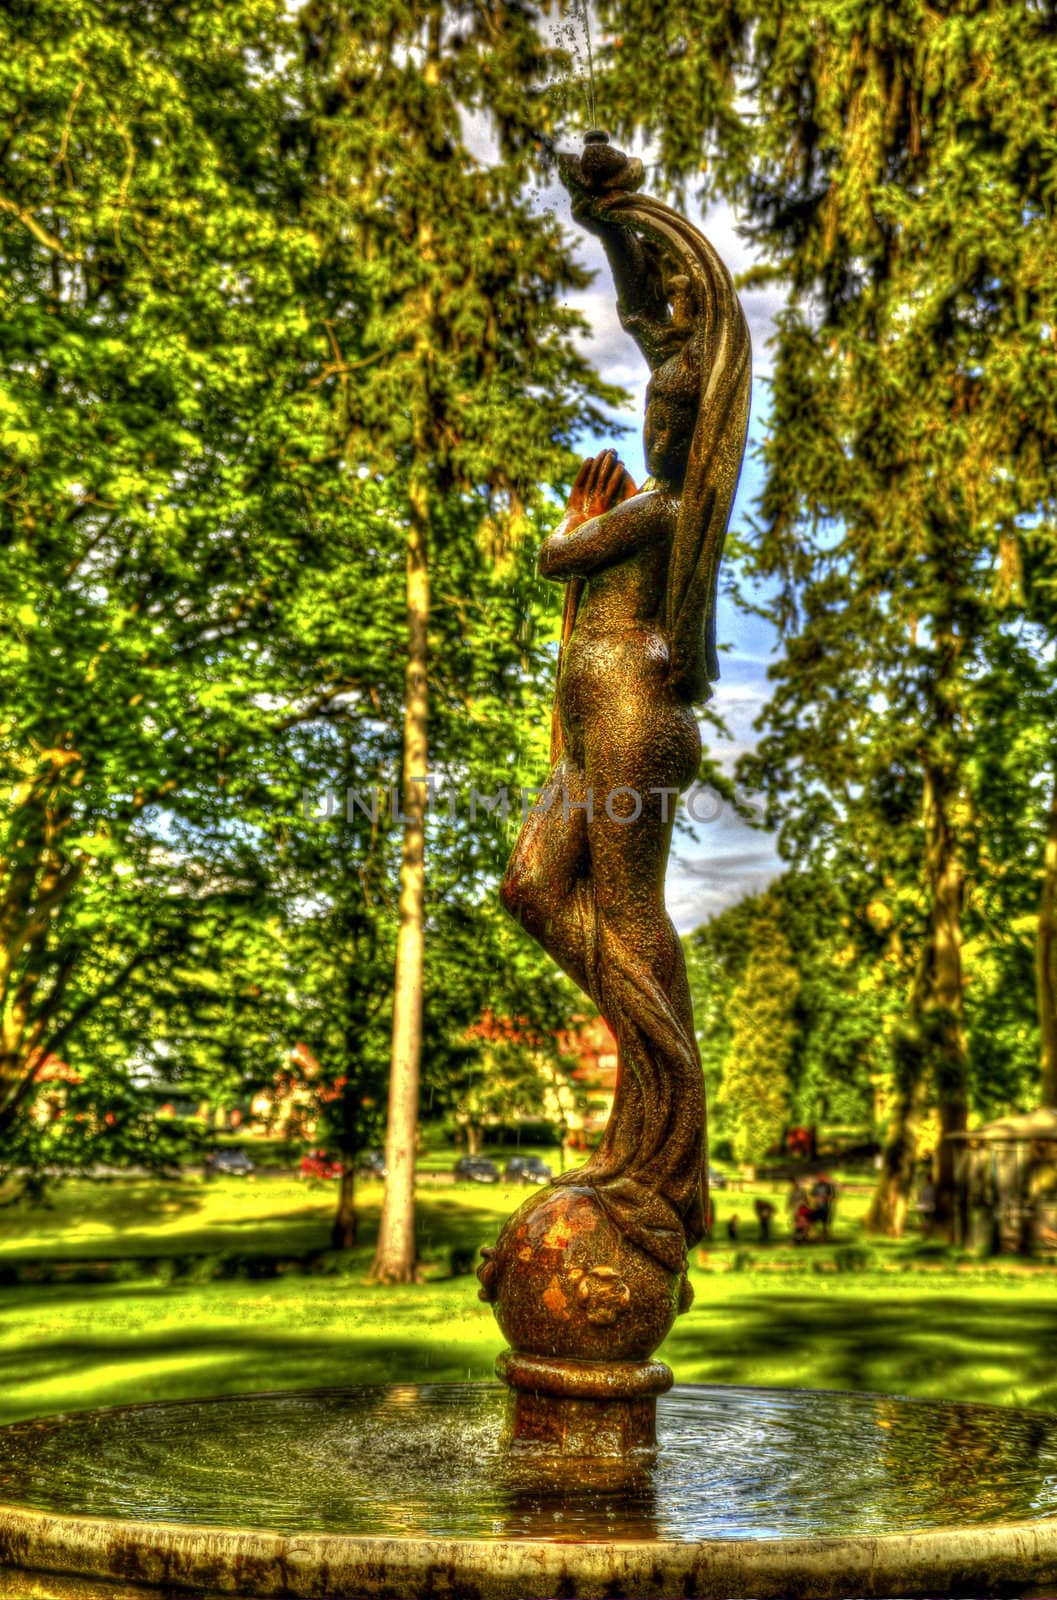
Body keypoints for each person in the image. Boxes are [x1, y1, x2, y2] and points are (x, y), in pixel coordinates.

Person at [499, 145, 751, 1283]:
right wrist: (614, 221)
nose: (655, 418)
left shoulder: (664, 510)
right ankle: (663, 1073)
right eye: (653, 403)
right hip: (603, 711)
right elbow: (650, 313)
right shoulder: (658, 482)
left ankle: (664, 1124)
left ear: (697, 432)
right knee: (530, 889)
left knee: (632, 909)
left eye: (672, 410)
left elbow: (558, 554)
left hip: (635, 714)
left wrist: (573, 516)